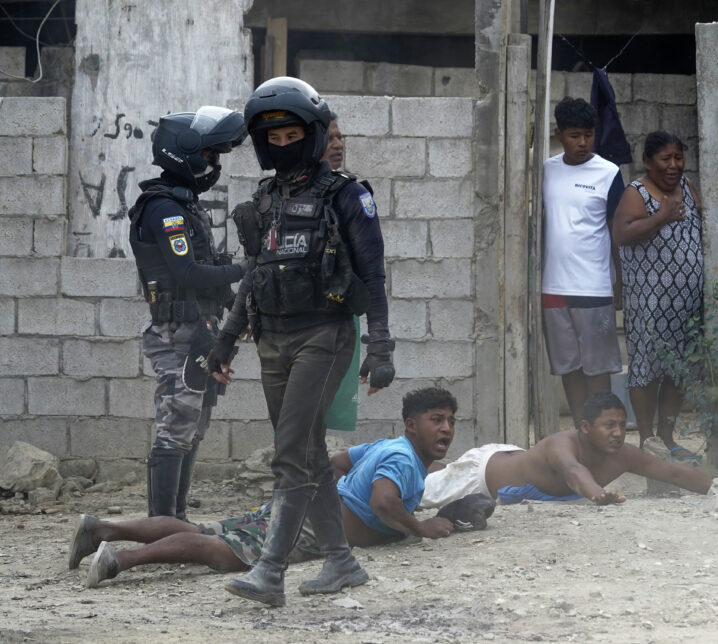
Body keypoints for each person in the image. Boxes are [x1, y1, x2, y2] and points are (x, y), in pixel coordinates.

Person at [204, 77, 394, 606]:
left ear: (309, 134)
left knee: (289, 451)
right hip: (272, 339)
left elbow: (374, 275)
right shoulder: (264, 200)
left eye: (293, 135)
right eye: (275, 138)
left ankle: (270, 571)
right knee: (308, 453)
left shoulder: (348, 194)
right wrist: (224, 341)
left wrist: (380, 347)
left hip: (324, 335)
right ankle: (341, 563)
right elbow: (254, 275)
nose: (283, 145)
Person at [72, 387, 460, 591]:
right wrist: (420, 528)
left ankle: (102, 528)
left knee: (205, 531)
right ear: (412, 425)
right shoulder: (406, 458)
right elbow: (383, 501)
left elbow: (337, 463)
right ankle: (119, 560)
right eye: (436, 420)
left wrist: (327, 498)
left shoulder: (387, 445)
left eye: (450, 422)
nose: (445, 429)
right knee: (221, 554)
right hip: (306, 530)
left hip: (297, 507)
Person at [127, 106, 249, 520]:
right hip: (174, 332)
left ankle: (175, 520)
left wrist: (236, 307)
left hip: (200, 329)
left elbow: (207, 276)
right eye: (211, 156)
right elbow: (188, 272)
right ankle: (162, 525)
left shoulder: (186, 205)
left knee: (194, 427)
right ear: (186, 152)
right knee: (176, 427)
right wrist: (245, 270)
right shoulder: (163, 207)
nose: (214, 165)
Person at [420, 390, 718, 509]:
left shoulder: (623, 454)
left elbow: (671, 472)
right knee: (418, 495)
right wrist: (597, 495)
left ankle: (440, 468)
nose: (618, 433)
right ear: (586, 428)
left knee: (441, 473)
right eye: (609, 426)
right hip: (482, 475)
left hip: (512, 456)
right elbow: (573, 472)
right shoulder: (562, 445)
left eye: (620, 425)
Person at [612, 131, 704, 463]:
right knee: (647, 370)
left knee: (677, 371)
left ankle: (668, 436)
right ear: (648, 162)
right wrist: (661, 216)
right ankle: (647, 440)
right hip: (648, 305)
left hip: (687, 304)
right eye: (665, 159)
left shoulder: (689, 189)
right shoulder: (637, 193)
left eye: (678, 158)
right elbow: (621, 233)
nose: (674, 165)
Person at [541, 97, 625, 428]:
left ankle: (602, 434)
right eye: (575, 135)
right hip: (553, 288)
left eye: (588, 135)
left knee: (597, 369)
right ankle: (580, 433)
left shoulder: (608, 173)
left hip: (594, 287)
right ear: (559, 134)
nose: (583, 143)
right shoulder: (547, 170)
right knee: (568, 368)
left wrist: (618, 282)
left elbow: (616, 231)